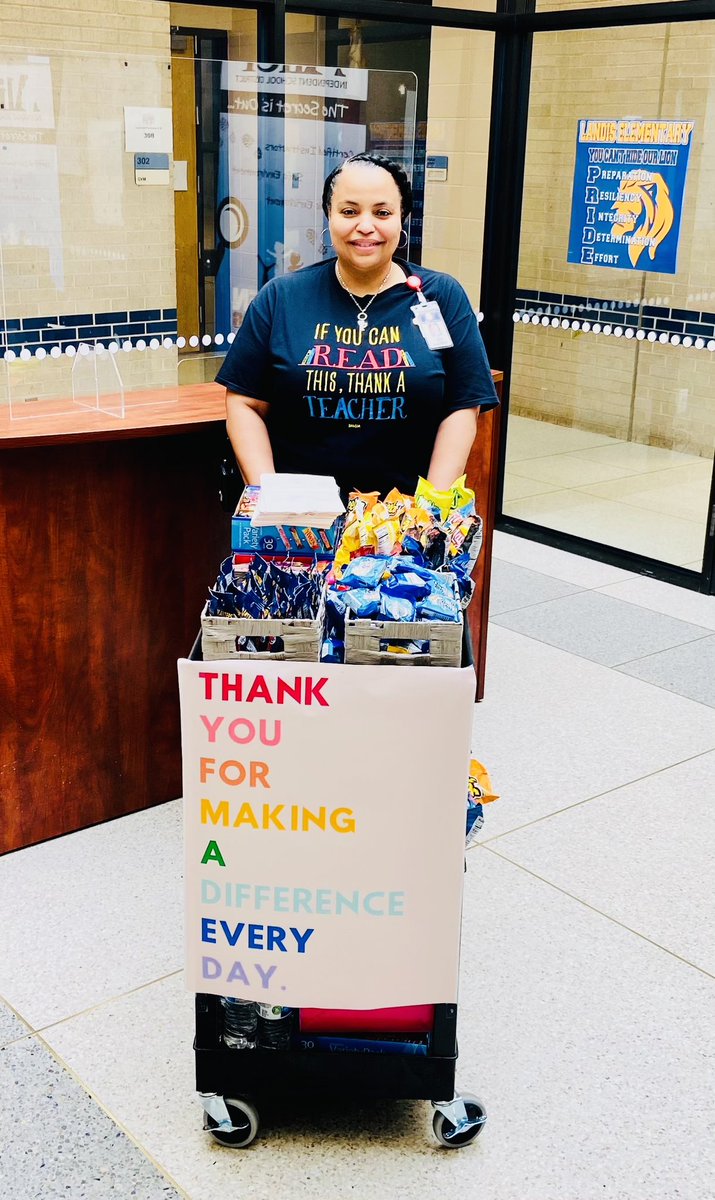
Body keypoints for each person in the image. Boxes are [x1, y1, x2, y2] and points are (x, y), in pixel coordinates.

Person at [216, 152, 499, 499]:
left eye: (382, 212)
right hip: (301, 526)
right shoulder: (282, 297)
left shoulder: (442, 296)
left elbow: (462, 406)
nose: (366, 225)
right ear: (329, 217)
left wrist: (427, 512)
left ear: (401, 220)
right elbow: (245, 403)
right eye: (349, 211)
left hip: (404, 526)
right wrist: (270, 498)